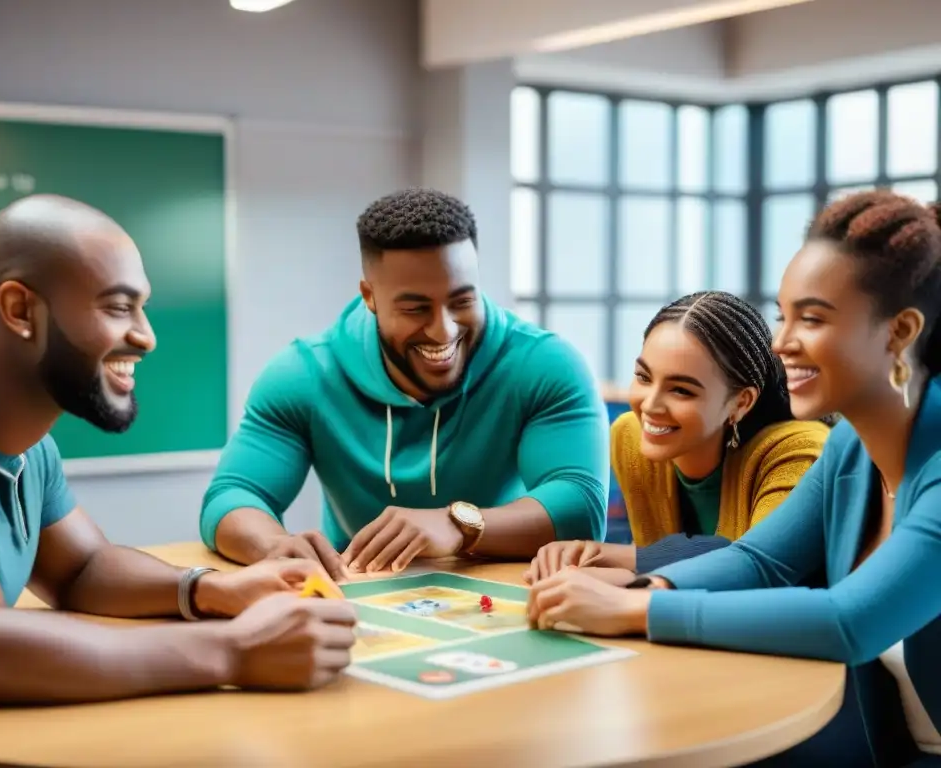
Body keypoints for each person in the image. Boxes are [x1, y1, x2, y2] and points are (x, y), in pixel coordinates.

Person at [525, 190, 941, 767]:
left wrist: (635, 612)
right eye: (783, 315)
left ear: (899, 332)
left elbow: (850, 621)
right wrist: (649, 588)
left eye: (812, 319)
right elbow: (759, 561)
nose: (779, 344)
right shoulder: (853, 443)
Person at [0, 195, 356, 710]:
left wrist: (212, 591)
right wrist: (233, 651)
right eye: (118, 307)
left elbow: (83, 570)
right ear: (20, 310)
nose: (146, 337)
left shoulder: (28, 447)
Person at [202, 187, 608, 578]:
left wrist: (459, 525)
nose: (443, 330)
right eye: (416, 309)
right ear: (370, 296)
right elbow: (232, 497)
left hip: (502, 591)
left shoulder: (545, 365)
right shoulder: (303, 375)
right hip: (361, 595)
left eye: (463, 301)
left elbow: (580, 506)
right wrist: (271, 545)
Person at [525, 291, 830, 585]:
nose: (650, 405)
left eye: (681, 390)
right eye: (644, 377)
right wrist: (590, 553)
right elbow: (667, 554)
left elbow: (757, 566)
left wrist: (625, 572)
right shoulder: (632, 438)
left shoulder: (797, 450)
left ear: (741, 402)